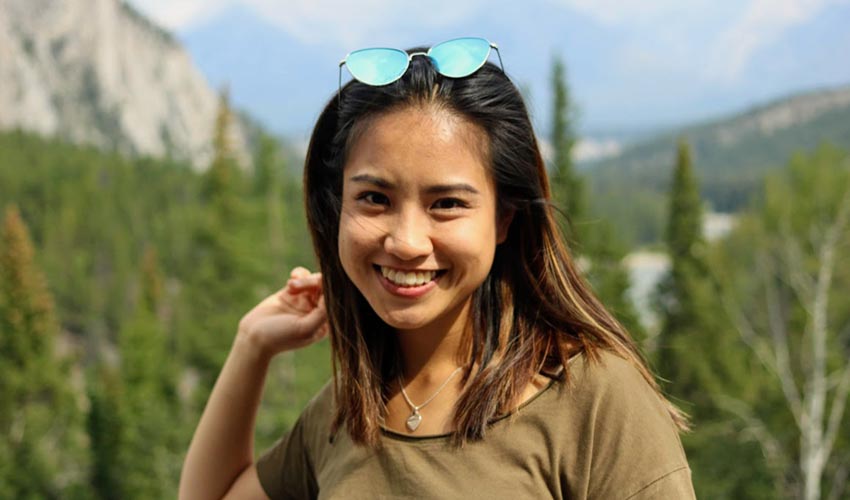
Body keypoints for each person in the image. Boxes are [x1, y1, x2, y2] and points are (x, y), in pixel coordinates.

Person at [178, 37, 695, 500]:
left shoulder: (593, 400)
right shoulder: (348, 408)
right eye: (374, 198)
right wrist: (252, 346)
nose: (405, 242)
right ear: (338, 207)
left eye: (446, 203)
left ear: (504, 217)